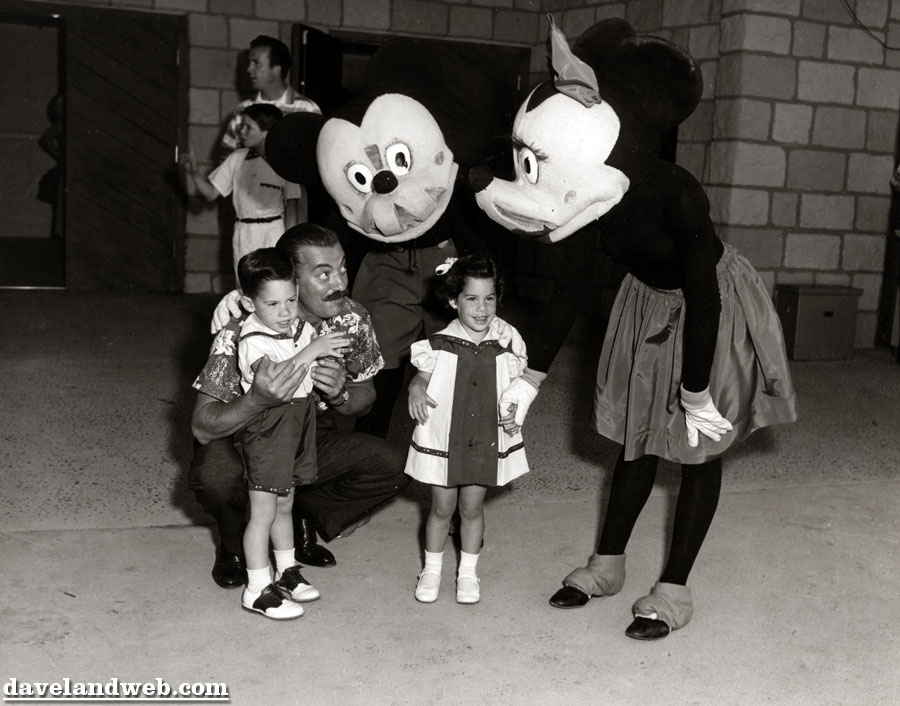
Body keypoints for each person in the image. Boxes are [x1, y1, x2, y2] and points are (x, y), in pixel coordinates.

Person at [190, 223, 410, 590]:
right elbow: (202, 426)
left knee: (394, 464)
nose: (340, 282)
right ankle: (232, 545)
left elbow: (365, 397)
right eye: (323, 273)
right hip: (242, 437)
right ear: (290, 279)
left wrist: (340, 395)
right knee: (217, 478)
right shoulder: (239, 328)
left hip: (306, 432)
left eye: (343, 268)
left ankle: (298, 515)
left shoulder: (352, 318)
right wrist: (256, 399)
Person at [405, 254, 534, 605]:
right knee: (441, 508)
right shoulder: (440, 343)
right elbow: (422, 377)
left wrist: (514, 410)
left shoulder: (507, 341)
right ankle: (432, 570)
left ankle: (467, 572)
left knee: (473, 508)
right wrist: (416, 388)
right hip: (447, 436)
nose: (482, 308)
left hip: (485, 436)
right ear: (453, 301)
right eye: (472, 299)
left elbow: (518, 385)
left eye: (489, 298)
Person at [233, 247, 351, 618]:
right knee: (263, 511)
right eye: (272, 304)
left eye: (291, 300)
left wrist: (327, 360)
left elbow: (311, 363)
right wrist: (312, 351)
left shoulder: (297, 327)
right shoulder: (253, 339)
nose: (285, 312)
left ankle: (285, 570)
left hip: (299, 421)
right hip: (269, 427)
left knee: (286, 503)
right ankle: (256, 588)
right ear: (249, 304)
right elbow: (275, 382)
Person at [181, 104, 301, 282]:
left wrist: (287, 246)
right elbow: (211, 193)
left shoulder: (284, 163)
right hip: (243, 232)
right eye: (242, 126)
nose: (241, 131)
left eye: (248, 127)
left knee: (273, 285)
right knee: (244, 285)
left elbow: (292, 208)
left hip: (273, 232)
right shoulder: (237, 158)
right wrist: (194, 173)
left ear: (266, 132)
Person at [221, 35, 321, 154]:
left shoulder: (306, 109)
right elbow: (227, 157)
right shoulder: (242, 109)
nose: (249, 69)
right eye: (249, 63)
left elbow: (316, 156)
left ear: (276, 69)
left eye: (256, 63)